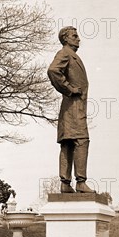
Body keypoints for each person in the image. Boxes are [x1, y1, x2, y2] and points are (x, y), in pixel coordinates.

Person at [47, 26, 95, 193]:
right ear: (66, 39)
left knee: (68, 144)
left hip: (70, 109)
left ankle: (65, 183)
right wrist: (69, 89)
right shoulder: (65, 53)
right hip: (73, 108)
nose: (78, 39)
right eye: (74, 36)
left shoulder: (72, 55)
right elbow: (53, 70)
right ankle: (80, 182)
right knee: (81, 140)